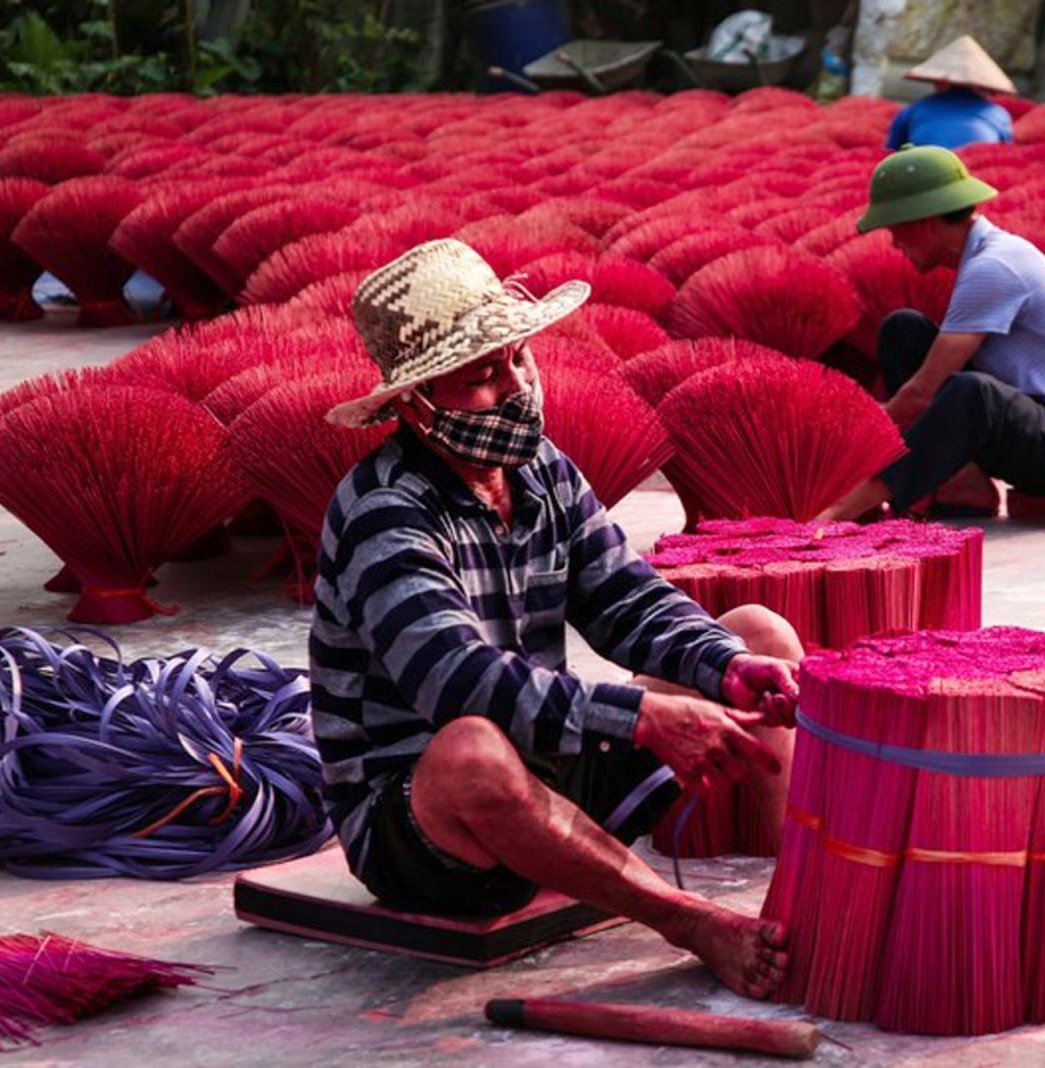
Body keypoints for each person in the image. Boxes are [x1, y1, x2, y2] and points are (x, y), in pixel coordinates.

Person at [312, 239, 803, 999]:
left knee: (757, 632)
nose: (515, 388)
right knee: (472, 748)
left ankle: (797, 890)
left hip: (548, 760)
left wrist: (725, 665)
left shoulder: (541, 471)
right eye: (481, 376)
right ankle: (687, 921)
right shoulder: (386, 512)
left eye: (518, 360)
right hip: (426, 819)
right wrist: (641, 717)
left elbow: (628, 600)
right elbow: (458, 683)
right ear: (414, 403)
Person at [818, 146, 1045, 523]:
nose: (894, 244)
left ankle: (842, 509)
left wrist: (846, 454)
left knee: (974, 394)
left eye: (894, 229)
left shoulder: (993, 266)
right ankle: (963, 484)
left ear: (923, 222)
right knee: (904, 329)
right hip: (1038, 424)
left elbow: (923, 392)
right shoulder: (988, 255)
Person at [885, 35, 1015, 152]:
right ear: (980, 85)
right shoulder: (999, 114)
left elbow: (890, 152)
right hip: (978, 171)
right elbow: (1006, 152)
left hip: (926, 169)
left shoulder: (914, 109)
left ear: (940, 82)